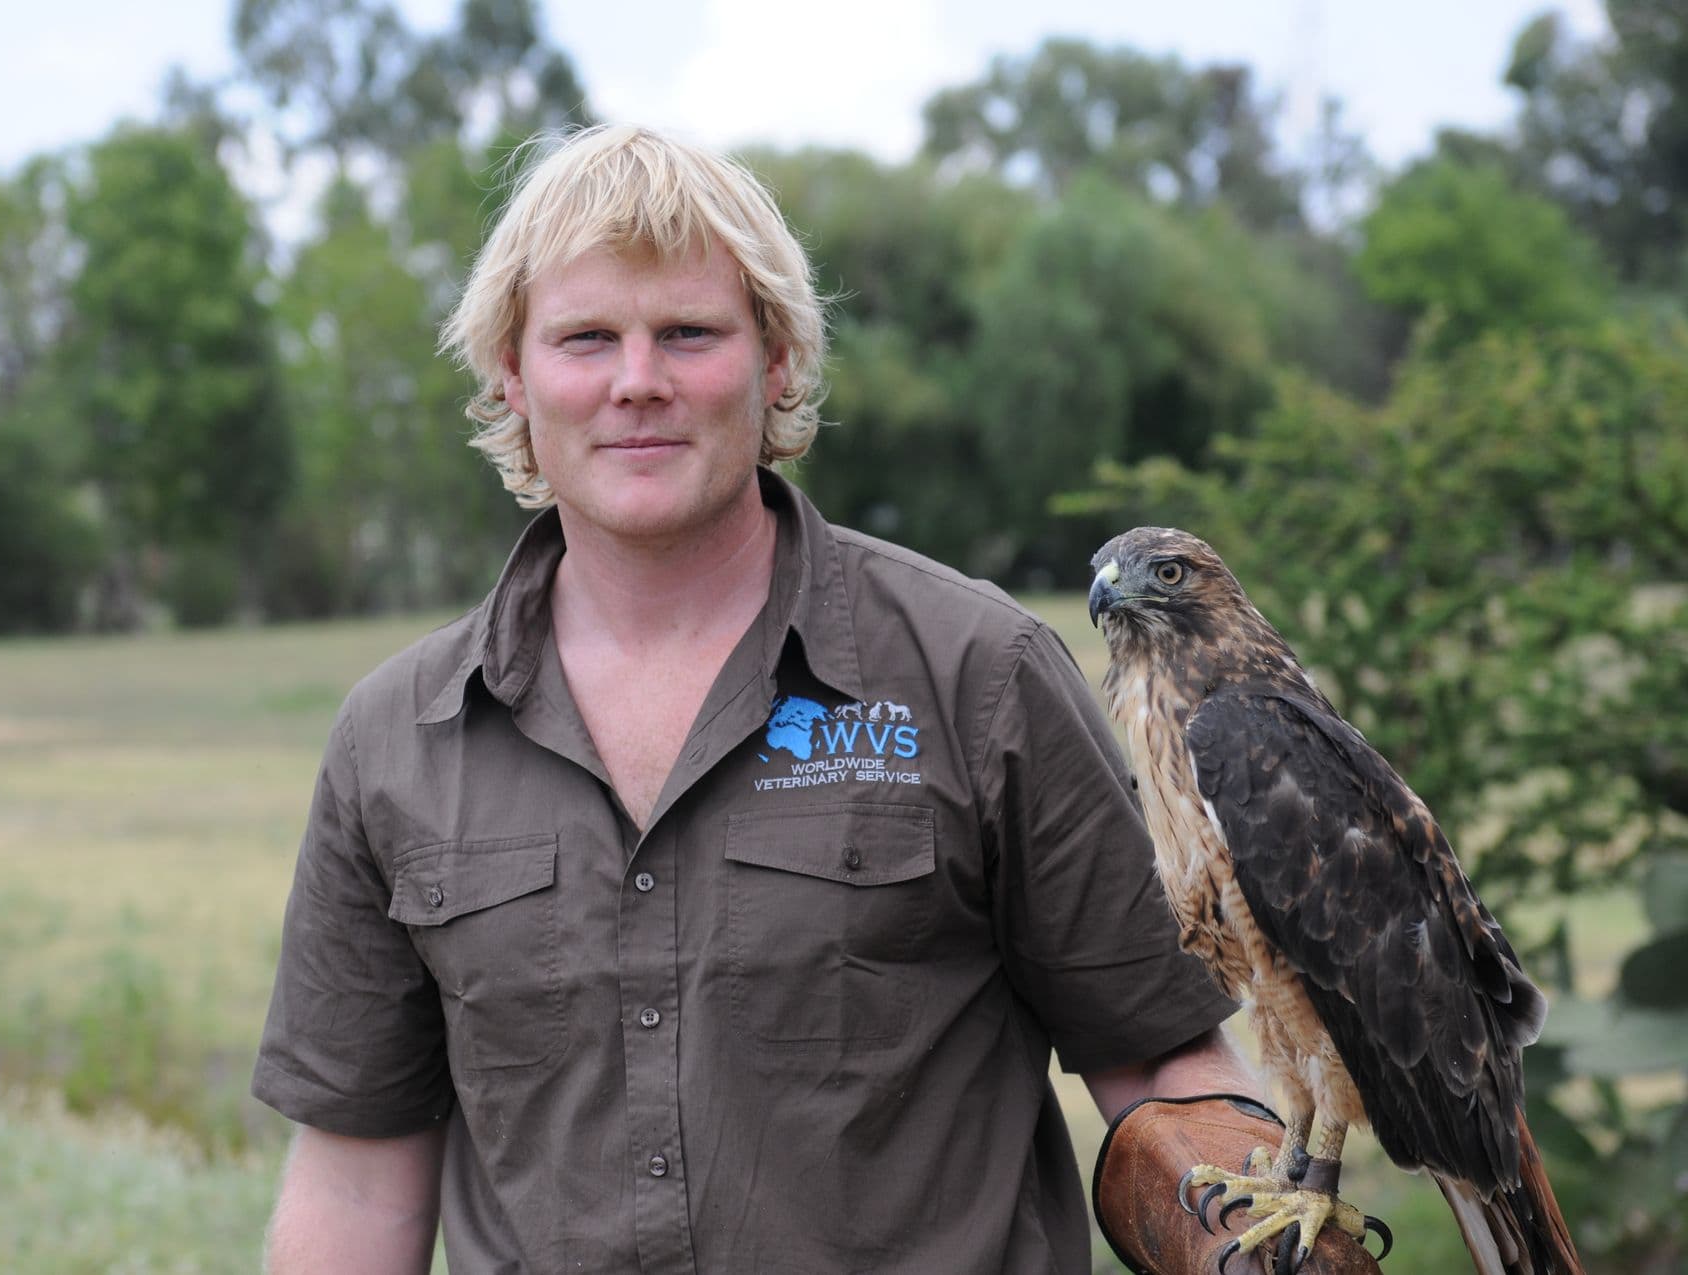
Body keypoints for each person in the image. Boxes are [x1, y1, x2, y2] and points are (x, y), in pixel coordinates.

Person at [251, 124, 1338, 1275]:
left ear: (775, 361)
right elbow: (360, 1183)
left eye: (688, 333)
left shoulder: (979, 676)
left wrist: (1250, 1229)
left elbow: (1164, 1063)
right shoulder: (397, 741)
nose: (638, 381)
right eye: (585, 338)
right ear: (512, 376)